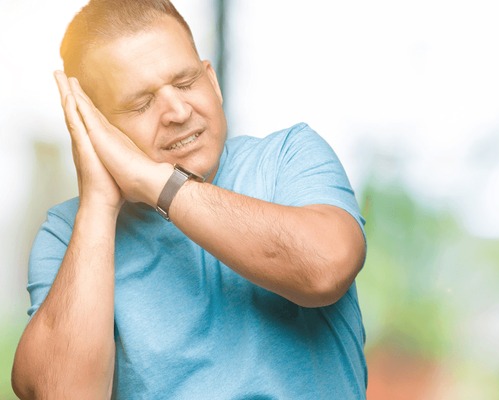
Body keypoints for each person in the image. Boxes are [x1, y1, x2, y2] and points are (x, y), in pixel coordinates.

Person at [12, 0, 367, 398]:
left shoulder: (287, 156)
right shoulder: (66, 235)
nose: (178, 112)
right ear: (96, 127)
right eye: (141, 103)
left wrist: (157, 184)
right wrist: (98, 204)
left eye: (185, 83)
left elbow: (324, 268)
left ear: (212, 81)